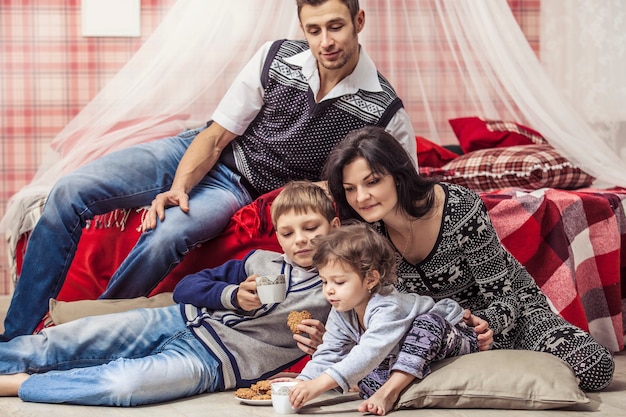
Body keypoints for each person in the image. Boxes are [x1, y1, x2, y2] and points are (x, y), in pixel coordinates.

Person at [1, 0, 417, 341]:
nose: (325, 41)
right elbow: (217, 135)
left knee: (169, 234)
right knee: (70, 189)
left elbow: (403, 190)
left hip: (242, 185)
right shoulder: (275, 57)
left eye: (335, 27)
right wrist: (179, 187)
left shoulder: (385, 109)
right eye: (313, 29)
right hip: (200, 148)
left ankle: (81, 329)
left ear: (358, 21)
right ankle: (16, 333)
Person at [320, 125, 615, 392]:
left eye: (372, 182)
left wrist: (485, 324)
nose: (361, 198)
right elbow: (368, 300)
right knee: (365, 379)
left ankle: (520, 360)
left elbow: (506, 298)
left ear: (398, 177)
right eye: (350, 189)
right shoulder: (366, 233)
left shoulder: (458, 207)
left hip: (511, 317)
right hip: (438, 336)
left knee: (594, 367)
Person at [0, 181, 338, 406]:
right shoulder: (259, 261)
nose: (301, 240)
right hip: (175, 319)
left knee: (124, 385)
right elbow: (186, 289)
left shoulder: (337, 292)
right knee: (65, 338)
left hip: (214, 362)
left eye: (311, 228)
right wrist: (232, 296)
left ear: (334, 227)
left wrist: (324, 343)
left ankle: (21, 384)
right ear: (278, 237)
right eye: (289, 232)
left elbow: (348, 350)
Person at [275, 223, 479, 416]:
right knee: (365, 377)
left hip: (450, 339)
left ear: (371, 279)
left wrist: (319, 385)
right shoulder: (341, 311)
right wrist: (302, 383)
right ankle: (391, 386)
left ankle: (389, 393)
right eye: (324, 281)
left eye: (339, 281)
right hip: (401, 358)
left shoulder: (388, 305)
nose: (329, 289)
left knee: (426, 324)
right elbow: (329, 352)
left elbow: (370, 351)